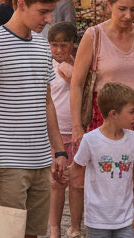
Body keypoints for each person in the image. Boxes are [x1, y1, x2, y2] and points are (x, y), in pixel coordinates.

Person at [0, 0, 67, 238]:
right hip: (7, 163)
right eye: (43, 12)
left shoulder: (42, 46)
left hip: (41, 160)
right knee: (7, 234)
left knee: (33, 234)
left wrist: (59, 151)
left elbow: (47, 102)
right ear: (21, 4)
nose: (48, 19)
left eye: (50, 12)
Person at [69, 0, 134, 228]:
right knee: (108, 180)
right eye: (122, 9)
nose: (128, 15)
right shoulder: (94, 35)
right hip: (106, 117)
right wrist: (77, 126)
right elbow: (77, 83)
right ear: (109, 5)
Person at [72, 82, 134, 238]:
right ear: (114, 114)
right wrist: (75, 224)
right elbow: (75, 173)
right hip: (97, 219)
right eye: (132, 111)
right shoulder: (90, 140)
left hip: (126, 218)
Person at [47, 22, 83, 238]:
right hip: (57, 133)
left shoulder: (81, 66)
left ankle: (76, 227)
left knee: (78, 183)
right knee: (57, 182)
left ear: (73, 44)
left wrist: (75, 74)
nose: (59, 50)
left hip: (78, 131)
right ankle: (54, 229)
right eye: (54, 45)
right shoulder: (47, 67)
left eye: (63, 45)